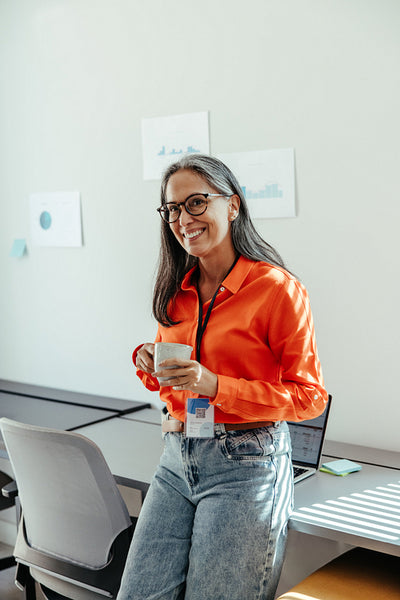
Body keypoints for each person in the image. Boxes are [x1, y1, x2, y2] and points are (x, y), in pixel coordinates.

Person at [117, 154, 328, 600]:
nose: (182, 219)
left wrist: (214, 385)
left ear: (232, 206)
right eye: (172, 209)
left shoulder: (276, 289)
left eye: (196, 203)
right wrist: (148, 360)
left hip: (246, 464)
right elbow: (175, 385)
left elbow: (310, 398)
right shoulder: (177, 289)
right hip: (177, 456)